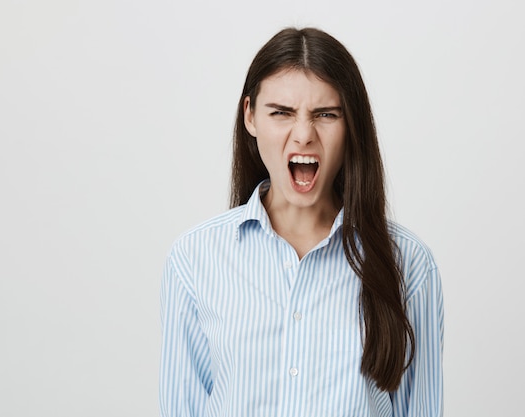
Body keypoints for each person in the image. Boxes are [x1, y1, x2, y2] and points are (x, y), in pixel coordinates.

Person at [160, 27, 443, 417]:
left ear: (352, 126)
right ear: (251, 117)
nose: (304, 135)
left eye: (326, 114)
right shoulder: (194, 259)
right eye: (281, 113)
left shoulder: (409, 266)